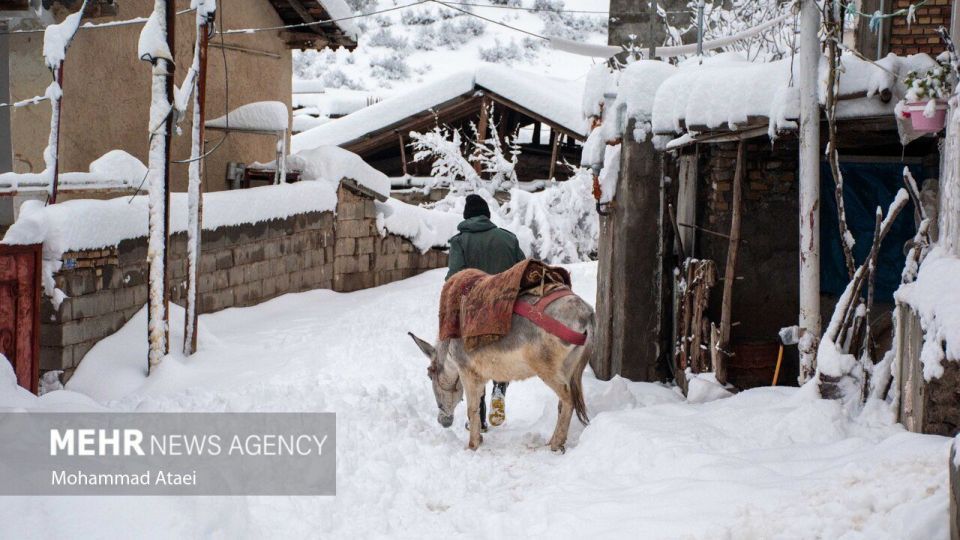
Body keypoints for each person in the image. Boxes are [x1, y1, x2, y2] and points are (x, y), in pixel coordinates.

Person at [446, 194, 525, 430]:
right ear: (487, 215)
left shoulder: (460, 242)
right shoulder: (508, 239)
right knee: (501, 355)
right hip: (505, 311)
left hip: (473, 315)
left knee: (474, 366)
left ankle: (477, 421)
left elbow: (455, 278)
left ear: (467, 216)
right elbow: (522, 270)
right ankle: (499, 391)